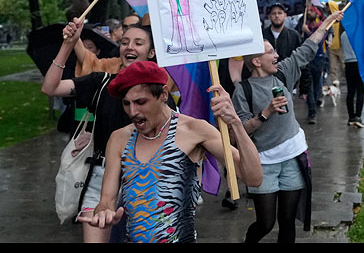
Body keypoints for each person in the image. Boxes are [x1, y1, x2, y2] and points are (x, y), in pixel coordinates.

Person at [76, 60, 262, 243]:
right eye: (126, 103)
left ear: (164, 94)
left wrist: (235, 123)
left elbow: (253, 178)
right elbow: (107, 200)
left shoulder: (195, 131)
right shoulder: (119, 139)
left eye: (141, 102)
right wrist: (105, 214)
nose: (132, 111)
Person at [42, 20, 168, 242]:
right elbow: (50, 88)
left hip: (144, 181)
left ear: (151, 53)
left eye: (138, 43)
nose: (129, 47)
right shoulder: (101, 82)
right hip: (99, 179)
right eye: (125, 42)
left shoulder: (159, 93)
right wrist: (67, 45)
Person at [233, 9, 344, 243]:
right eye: (270, 52)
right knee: (265, 223)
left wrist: (326, 22)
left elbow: (307, 48)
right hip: (263, 162)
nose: (276, 54)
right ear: (256, 61)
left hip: (293, 157)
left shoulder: (283, 73)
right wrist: (266, 112)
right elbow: (241, 131)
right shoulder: (243, 90)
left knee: (287, 222)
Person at [299, 5, 329, 124]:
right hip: (307, 60)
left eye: (312, 11)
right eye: (309, 11)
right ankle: (312, 112)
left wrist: (308, 32)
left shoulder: (321, 26)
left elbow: (319, 40)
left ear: (317, 14)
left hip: (318, 59)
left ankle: (315, 104)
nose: (309, 13)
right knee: (309, 86)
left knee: (317, 85)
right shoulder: (304, 23)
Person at [340, 24, 364, 128]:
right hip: (359, 63)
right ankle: (358, 116)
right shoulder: (359, 34)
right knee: (360, 91)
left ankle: (351, 116)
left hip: (348, 64)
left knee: (350, 91)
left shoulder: (343, 35)